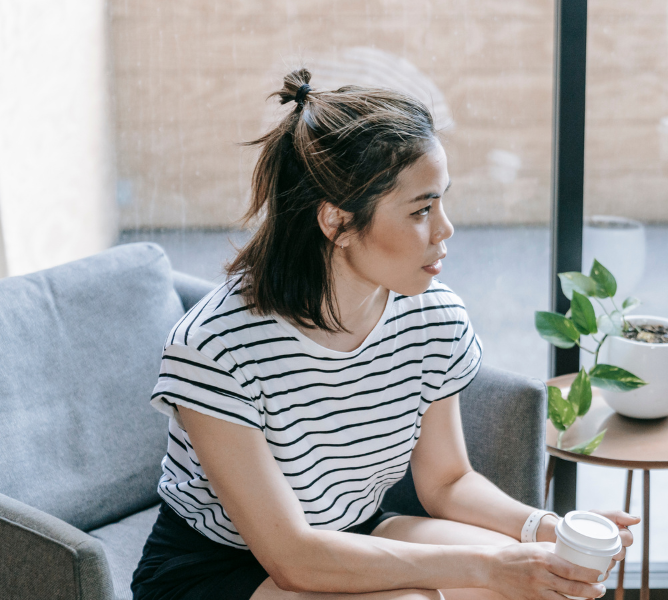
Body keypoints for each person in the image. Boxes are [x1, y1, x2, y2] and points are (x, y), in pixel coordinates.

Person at [131, 69, 637, 600]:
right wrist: (488, 567)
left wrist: (548, 531)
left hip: (357, 533)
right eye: (421, 209)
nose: (446, 229)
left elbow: (447, 482)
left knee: (538, 585)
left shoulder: (432, 315)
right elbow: (293, 557)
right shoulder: (215, 345)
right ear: (338, 223)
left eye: (442, 201)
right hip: (222, 566)